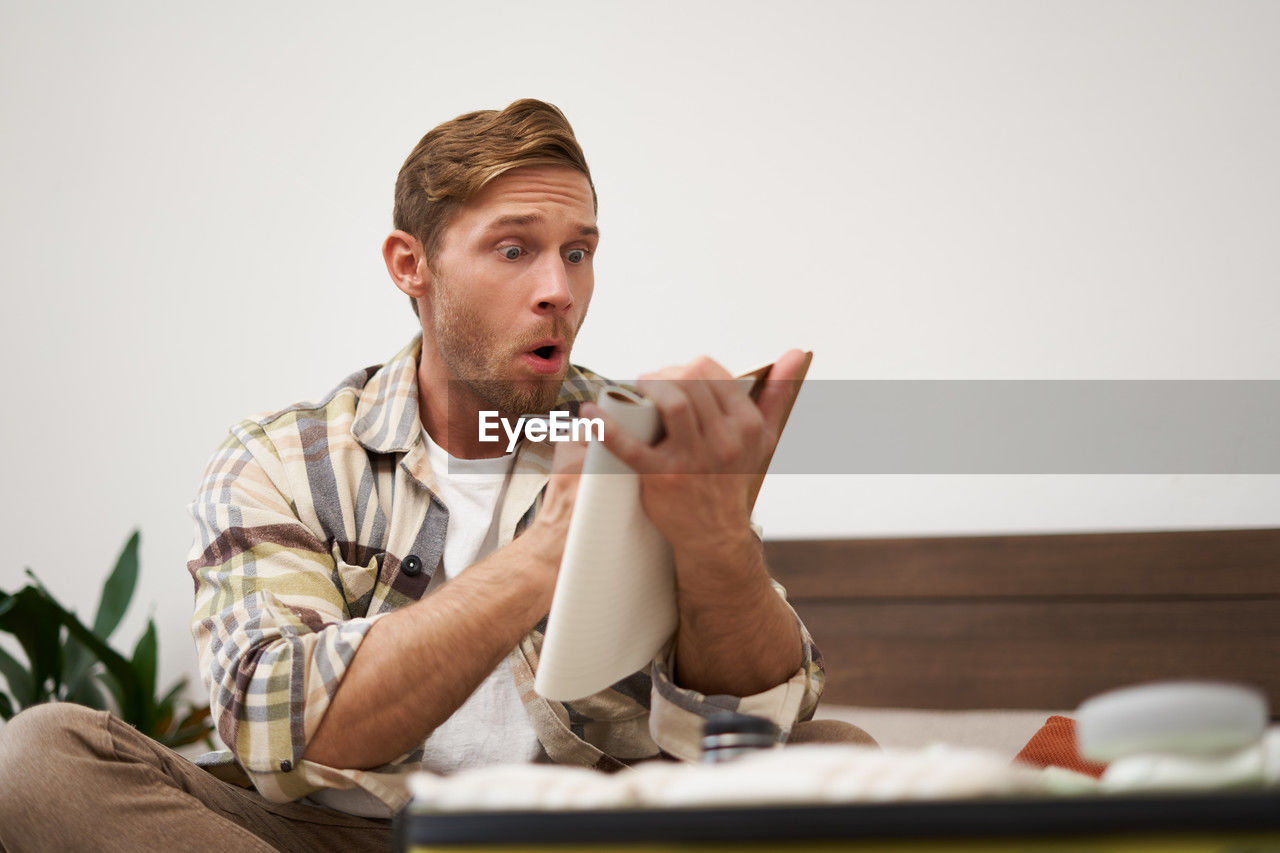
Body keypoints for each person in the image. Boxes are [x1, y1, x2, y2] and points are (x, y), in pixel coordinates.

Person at [0, 99, 831, 853]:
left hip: (589, 835)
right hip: (344, 837)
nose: (559, 291)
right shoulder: (282, 460)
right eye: (515, 249)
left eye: (578, 254)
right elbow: (270, 724)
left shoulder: (642, 433)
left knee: (842, 762)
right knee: (39, 759)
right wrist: (549, 551)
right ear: (411, 265)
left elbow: (753, 718)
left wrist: (716, 542)